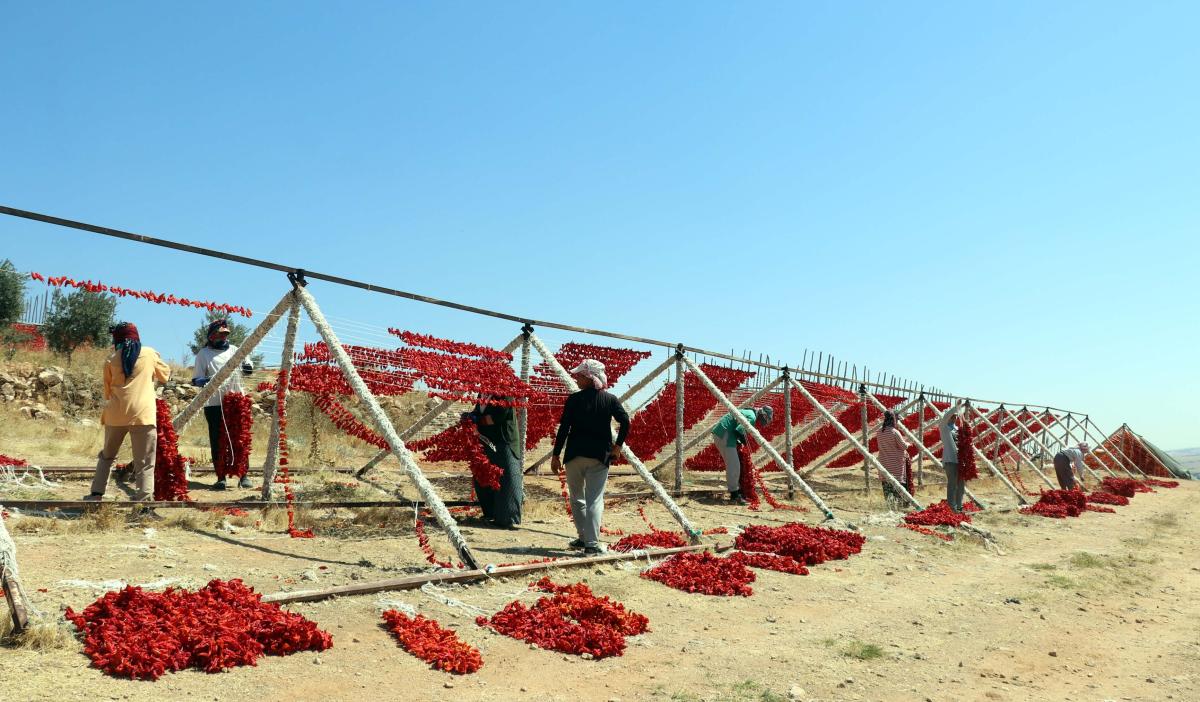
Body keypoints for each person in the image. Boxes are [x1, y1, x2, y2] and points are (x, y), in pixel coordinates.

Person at [86, 322, 170, 515]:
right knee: (145, 462)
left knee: (107, 456)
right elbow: (165, 375)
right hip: (142, 415)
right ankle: (144, 505)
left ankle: (96, 494)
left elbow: (107, 391)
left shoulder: (111, 359)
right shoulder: (149, 353)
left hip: (115, 414)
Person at [550, 359, 630, 555]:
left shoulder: (574, 400)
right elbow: (626, 421)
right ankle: (591, 544)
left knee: (577, 498)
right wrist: (617, 447)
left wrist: (556, 454)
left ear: (589, 378)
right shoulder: (609, 400)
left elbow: (564, 430)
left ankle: (583, 537)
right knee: (594, 499)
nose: (576, 379)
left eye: (580, 376)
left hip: (574, 456)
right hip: (598, 457)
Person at [192, 319, 253, 490]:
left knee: (240, 439)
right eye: (220, 334)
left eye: (226, 334)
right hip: (214, 404)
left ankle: (244, 475)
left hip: (236, 401)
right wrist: (208, 380)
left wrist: (247, 368)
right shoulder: (203, 354)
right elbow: (196, 380)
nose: (223, 337)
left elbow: (248, 368)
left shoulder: (236, 351)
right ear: (212, 335)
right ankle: (221, 477)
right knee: (217, 440)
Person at [463, 393, 523, 529]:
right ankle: (490, 513)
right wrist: (470, 416)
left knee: (507, 478)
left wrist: (476, 420)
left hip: (503, 442)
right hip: (485, 441)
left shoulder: (505, 395)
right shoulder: (482, 395)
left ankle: (507, 518)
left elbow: (497, 418)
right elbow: (479, 412)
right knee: (484, 476)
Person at [711, 405, 774, 505]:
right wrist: (745, 443)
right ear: (762, 414)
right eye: (766, 418)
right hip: (725, 434)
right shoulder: (752, 417)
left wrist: (741, 442)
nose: (764, 421)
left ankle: (737, 492)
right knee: (734, 466)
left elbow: (738, 429)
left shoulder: (750, 413)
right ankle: (734, 496)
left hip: (724, 433)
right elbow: (739, 430)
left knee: (735, 465)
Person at [876, 410, 911, 510]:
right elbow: (903, 446)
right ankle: (899, 506)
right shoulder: (894, 432)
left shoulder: (879, 431)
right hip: (895, 462)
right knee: (897, 485)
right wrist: (908, 444)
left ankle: (889, 506)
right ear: (893, 420)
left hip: (883, 461)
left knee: (886, 483)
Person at [939, 406, 965, 513]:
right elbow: (945, 417)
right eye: (952, 416)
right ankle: (951, 507)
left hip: (960, 460)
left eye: (955, 417)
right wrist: (956, 408)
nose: (954, 418)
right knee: (952, 484)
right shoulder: (944, 427)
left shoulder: (957, 429)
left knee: (961, 484)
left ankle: (959, 506)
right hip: (950, 460)